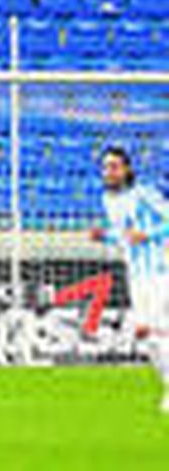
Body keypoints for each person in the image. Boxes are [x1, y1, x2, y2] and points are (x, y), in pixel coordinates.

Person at [90, 147, 169, 412]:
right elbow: (124, 234)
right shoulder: (107, 200)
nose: (109, 172)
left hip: (159, 271)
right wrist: (105, 236)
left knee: (150, 327)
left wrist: (148, 234)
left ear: (127, 170)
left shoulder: (144, 194)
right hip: (136, 274)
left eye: (114, 166)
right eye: (106, 167)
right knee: (146, 335)